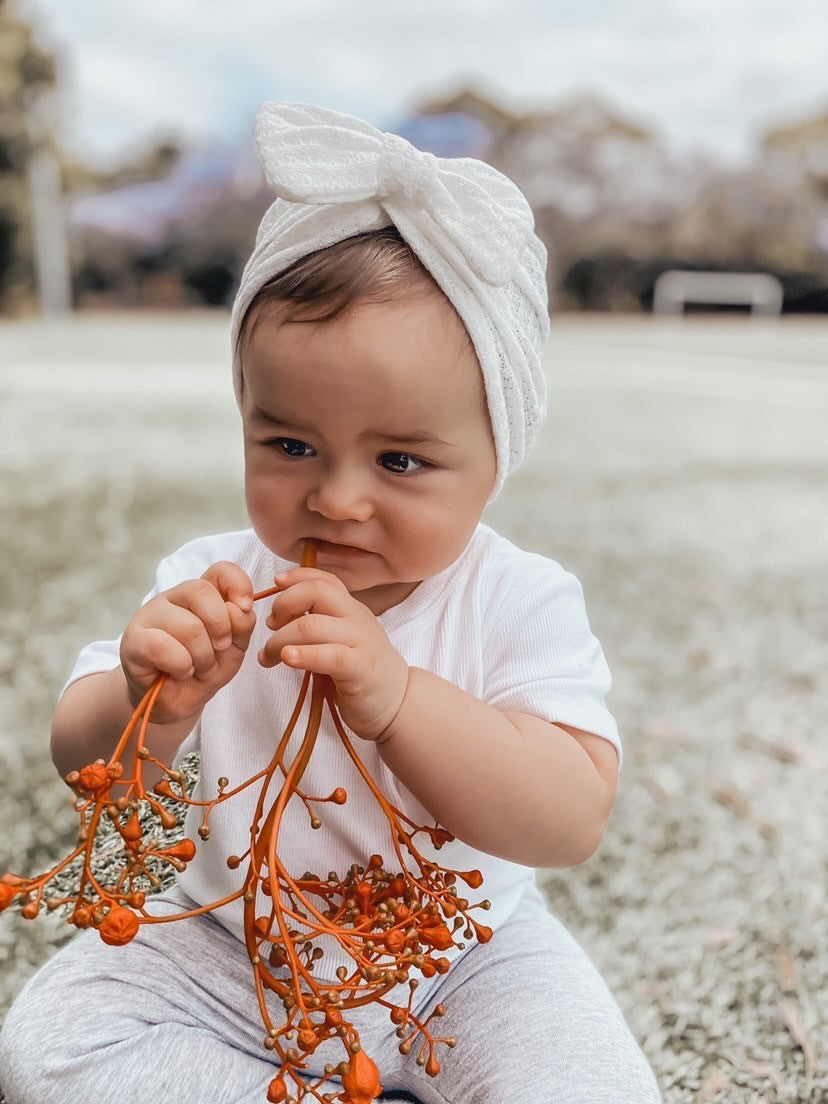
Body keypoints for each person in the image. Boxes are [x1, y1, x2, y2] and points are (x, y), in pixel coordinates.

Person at [0, 103, 660, 1104]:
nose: (337, 499)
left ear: (497, 459)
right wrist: (147, 699)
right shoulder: (213, 578)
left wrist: (397, 697)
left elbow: (569, 820)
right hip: (229, 942)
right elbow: (93, 771)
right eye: (290, 445)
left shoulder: (518, 598)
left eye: (401, 460)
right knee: (49, 1047)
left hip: (461, 962)